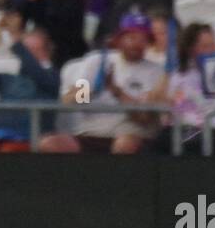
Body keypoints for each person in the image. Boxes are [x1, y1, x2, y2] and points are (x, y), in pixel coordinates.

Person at [41, 12, 164, 155]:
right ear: (119, 39)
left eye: (143, 40)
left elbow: (145, 119)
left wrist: (116, 92)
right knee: (49, 144)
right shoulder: (96, 60)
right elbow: (69, 101)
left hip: (129, 135)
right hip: (90, 133)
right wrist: (90, 90)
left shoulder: (155, 71)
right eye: (132, 37)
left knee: (125, 145)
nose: (137, 44)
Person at [147, 21, 215, 155]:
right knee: (160, 141)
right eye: (205, 46)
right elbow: (160, 106)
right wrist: (168, 73)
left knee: (210, 142)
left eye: (213, 45)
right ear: (191, 50)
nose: (211, 50)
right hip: (185, 132)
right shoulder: (179, 74)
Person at [0, 13, 59, 152]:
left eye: (32, 51)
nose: (25, 55)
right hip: (1, 134)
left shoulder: (51, 77)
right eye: (26, 50)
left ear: (45, 52)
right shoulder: (9, 78)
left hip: (31, 139)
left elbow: (35, 71)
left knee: (10, 150)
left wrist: (17, 41)